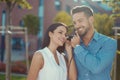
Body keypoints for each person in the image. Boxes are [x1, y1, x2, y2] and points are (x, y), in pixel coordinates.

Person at [70, 5, 117, 80]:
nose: (77, 25)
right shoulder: (71, 45)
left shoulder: (109, 43)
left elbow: (96, 68)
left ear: (91, 19)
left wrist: (78, 47)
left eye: (80, 21)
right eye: (75, 22)